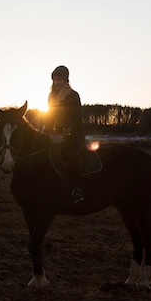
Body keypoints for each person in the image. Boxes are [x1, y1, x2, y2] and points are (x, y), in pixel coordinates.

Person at [44, 65, 85, 203]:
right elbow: (50, 116)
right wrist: (48, 131)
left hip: (73, 134)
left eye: (60, 80)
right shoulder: (51, 97)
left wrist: (66, 134)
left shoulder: (74, 96)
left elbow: (77, 119)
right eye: (55, 80)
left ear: (66, 81)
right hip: (56, 134)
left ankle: (76, 189)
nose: (57, 83)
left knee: (71, 156)